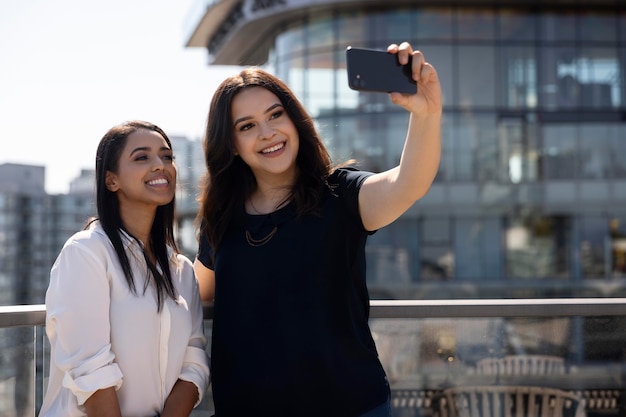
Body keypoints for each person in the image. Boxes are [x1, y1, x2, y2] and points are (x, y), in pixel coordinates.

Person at [194, 41, 441, 417]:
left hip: (351, 407)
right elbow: (192, 299)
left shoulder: (340, 195)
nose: (267, 132)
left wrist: (426, 115)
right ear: (231, 146)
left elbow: (409, 184)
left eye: (275, 115)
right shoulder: (221, 218)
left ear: (295, 120)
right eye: (247, 126)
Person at [40, 120, 210, 417]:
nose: (160, 165)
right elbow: (91, 370)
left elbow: (194, 362)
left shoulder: (180, 270)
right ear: (111, 181)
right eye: (142, 157)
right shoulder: (86, 253)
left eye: (167, 156)